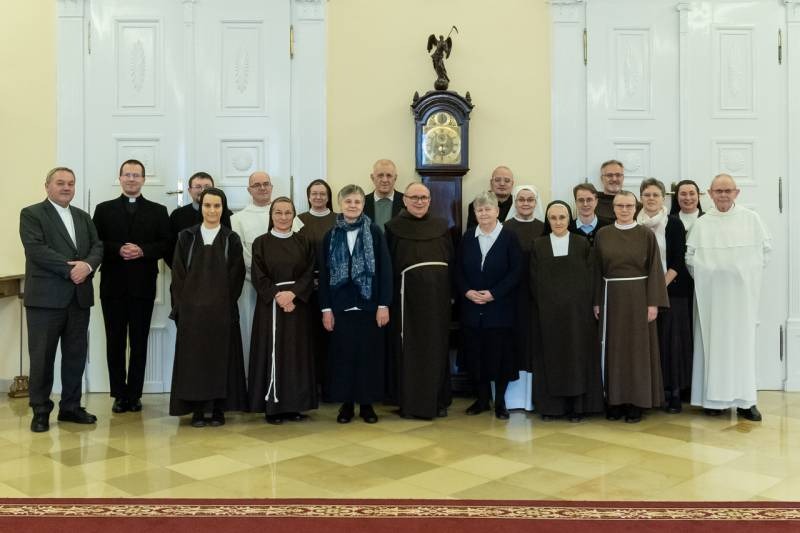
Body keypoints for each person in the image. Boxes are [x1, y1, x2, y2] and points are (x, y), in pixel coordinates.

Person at [20, 166, 103, 432]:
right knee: (42, 358)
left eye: (71, 183)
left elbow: (97, 246)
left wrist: (87, 266)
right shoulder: (32, 214)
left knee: (75, 356)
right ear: (47, 186)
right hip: (45, 301)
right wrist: (72, 270)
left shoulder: (83, 217)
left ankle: (71, 407)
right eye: (60, 183)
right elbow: (36, 250)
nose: (66, 187)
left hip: (78, 299)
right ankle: (40, 410)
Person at [688, 174, 771, 421]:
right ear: (710, 194)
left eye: (728, 190)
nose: (723, 195)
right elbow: (691, 259)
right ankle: (715, 401)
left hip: (741, 298)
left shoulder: (751, 219)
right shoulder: (702, 224)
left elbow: (765, 253)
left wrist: (742, 273)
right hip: (712, 298)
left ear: (736, 193)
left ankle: (746, 402)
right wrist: (713, 274)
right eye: (718, 191)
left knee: (742, 347)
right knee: (712, 345)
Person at [92, 159, 170, 414]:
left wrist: (142, 250)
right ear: (120, 178)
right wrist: (118, 249)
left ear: (144, 179)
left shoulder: (158, 211)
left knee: (139, 341)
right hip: (112, 287)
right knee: (114, 341)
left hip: (143, 287)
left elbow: (166, 244)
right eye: (127, 174)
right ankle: (119, 394)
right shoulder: (103, 209)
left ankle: (134, 394)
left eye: (136, 175)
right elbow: (95, 243)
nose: (132, 179)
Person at [169, 187, 248, 427]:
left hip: (221, 313)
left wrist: (223, 305)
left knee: (221, 361)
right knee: (194, 362)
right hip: (192, 314)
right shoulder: (186, 237)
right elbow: (178, 275)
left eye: (217, 206)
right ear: (201, 207)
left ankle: (218, 409)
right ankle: (197, 410)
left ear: (223, 209)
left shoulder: (231, 239)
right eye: (207, 205)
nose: (212, 210)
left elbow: (236, 276)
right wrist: (183, 308)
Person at [319, 185, 392, 424]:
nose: (352, 205)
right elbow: (324, 275)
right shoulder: (330, 236)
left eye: (357, 202)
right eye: (348, 201)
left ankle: (367, 405)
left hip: (369, 306)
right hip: (340, 308)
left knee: (368, 358)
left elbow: (385, 270)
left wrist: (384, 304)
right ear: (340, 205)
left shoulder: (375, 232)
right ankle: (347, 405)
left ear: (363, 205)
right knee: (344, 358)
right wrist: (326, 309)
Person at [594, 190, 668, 423]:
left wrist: (653, 303)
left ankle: (637, 401)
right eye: (620, 206)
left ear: (635, 208)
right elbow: (596, 269)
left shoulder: (646, 234)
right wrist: (596, 301)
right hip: (611, 297)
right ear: (613, 208)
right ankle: (614, 401)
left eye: (628, 206)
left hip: (639, 298)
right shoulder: (603, 234)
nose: (624, 210)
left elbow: (655, 269)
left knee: (637, 350)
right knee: (614, 349)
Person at [385, 182, 453, 419]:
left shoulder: (442, 226)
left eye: (424, 197)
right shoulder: (393, 228)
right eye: (414, 197)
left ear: (430, 200)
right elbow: (388, 266)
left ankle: (437, 399)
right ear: (404, 200)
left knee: (437, 347)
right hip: (407, 302)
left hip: (438, 299)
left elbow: (451, 259)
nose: (419, 201)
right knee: (410, 350)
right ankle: (410, 402)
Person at [531, 201, 604, 421]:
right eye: (553, 218)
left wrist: (588, 304)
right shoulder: (538, 245)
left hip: (578, 315)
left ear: (568, 219)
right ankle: (551, 407)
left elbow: (591, 277)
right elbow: (533, 280)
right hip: (548, 314)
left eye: (562, 217)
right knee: (551, 359)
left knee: (576, 359)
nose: (558, 222)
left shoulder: (582, 244)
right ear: (547, 220)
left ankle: (577, 407)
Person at [249, 197, 317, 424]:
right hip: (271, 306)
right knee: (273, 351)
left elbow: (309, 272)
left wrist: (293, 294)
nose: (283, 217)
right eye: (278, 212)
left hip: (297, 306)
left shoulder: (304, 242)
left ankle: (294, 405)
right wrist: (278, 296)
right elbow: (258, 275)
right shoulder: (261, 242)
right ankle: (273, 407)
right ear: (271, 215)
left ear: (294, 215)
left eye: (288, 213)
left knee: (296, 354)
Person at [456, 191, 521, 420]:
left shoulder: (509, 237)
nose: (483, 213)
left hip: (500, 308)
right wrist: (467, 291)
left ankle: (500, 402)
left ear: (497, 211)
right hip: (472, 308)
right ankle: (482, 400)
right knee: (476, 356)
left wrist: (494, 294)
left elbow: (516, 272)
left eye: (488, 209)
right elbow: (457, 270)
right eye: (479, 210)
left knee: (500, 357)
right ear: (475, 213)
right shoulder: (467, 237)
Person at [230, 171, 301, 376]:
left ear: (271, 187)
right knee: (255, 333)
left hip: (288, 292)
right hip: (252, 286)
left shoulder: (289, 215)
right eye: (257, 185)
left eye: (266, 184)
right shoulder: (237, 219)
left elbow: (297, 251)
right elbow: (244, 256)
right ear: (249, 190)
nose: (262, 188)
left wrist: (283, 290)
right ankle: (254, 379)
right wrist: (267, 284)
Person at [638, 178, 691, 413]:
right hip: (639, 293)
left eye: (655, 195)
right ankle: (650, 393)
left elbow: (678, 260)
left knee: (672, 344)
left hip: (672, 291)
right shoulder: (634, 223)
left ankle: (674, 393)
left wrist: (658, 288)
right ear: (641, 197)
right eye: (647, 194)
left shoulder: (674, 223)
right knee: (648, 344)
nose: (651, 198)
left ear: (663, 198)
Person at [501, 185, 545, 411]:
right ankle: (511, 399)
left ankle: (534, 398)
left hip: (537, 294)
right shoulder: (505, 227)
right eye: (521, 200)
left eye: (530, 200)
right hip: (512, 295)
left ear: (536, 202)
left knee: (534, 342)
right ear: (515, 202)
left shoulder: (543, 227)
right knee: (514, 342)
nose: (526, 203)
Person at [297, 179, 337, 400]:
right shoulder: (298, 220)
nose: (319, 197)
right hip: (306, 289)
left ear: (328, 196)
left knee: (330, 338)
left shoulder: (339, 220)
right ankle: (310, 387)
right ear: (308, 196)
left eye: (323, 193)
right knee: (309, 337)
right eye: (314, 193)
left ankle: (330, 386)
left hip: (333, 288)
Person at [166, 171, 231, 268]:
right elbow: (169, 247)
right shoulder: (177, 215)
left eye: (207, 187)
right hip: (185, 273)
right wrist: (179, 270)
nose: (203, 190)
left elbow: (231, 248)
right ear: (189, 191)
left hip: (220, 272)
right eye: (198, 187)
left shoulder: (227, 214)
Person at [595, 159, 640, 224]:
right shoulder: (593, 201)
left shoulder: (631, 199)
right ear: (602, 179)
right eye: (609, 175)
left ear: (623, 178)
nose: (614, 179)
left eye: (618, 175)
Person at [363, 159, 404, 230]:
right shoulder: (361, 203)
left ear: (395, 178)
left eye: (389, 175)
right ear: (372, 178)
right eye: (380, 175)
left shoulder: (406, 202)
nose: (385, 180)